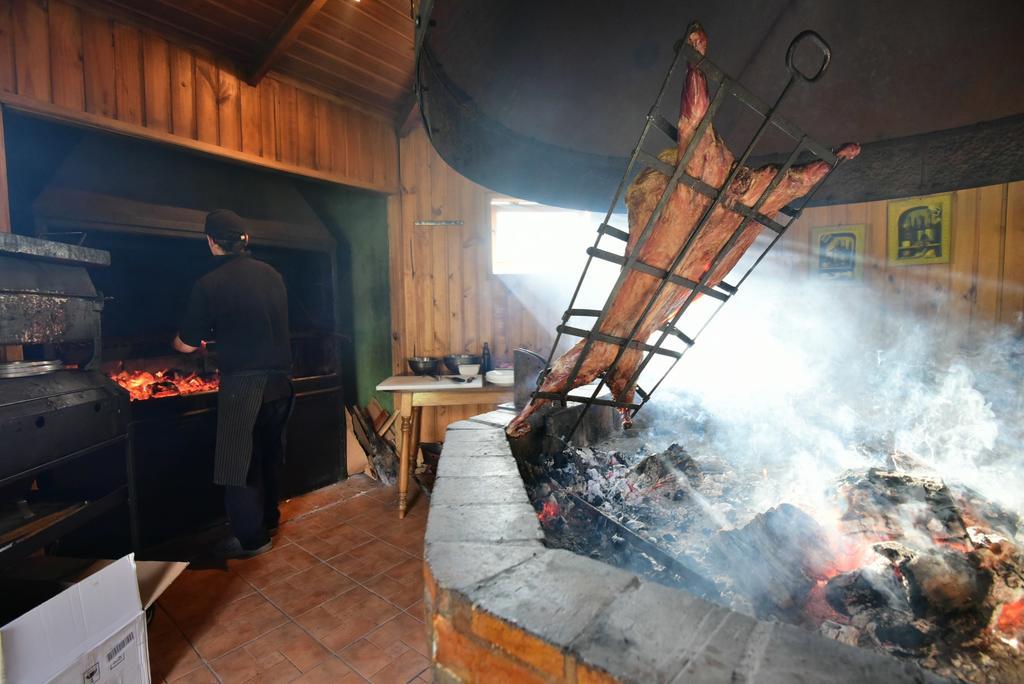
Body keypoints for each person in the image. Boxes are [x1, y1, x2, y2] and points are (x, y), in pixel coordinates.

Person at [174, 209, 293, 559]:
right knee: (269, 456)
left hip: (243, 386)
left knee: (237, 466)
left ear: (211, 242)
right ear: (246, 241)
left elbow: (188, 343)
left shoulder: (210, 284)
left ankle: (252, 540)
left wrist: (177, 343)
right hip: (281, 383)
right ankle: (269, 520)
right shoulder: (273, 274)